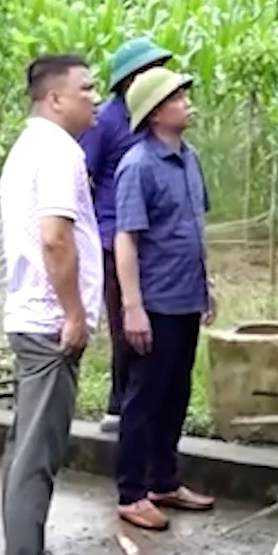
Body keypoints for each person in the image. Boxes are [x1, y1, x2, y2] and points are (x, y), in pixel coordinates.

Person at [0, 54, 101, 555]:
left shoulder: (30, 146)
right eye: (87, 89)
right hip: (47, 321)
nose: (96, 98)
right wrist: (74, 312)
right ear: (54, 98)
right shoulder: (59, 150)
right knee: (38, 452)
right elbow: (55, 238)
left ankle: (27, 553)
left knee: (24, 449)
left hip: (31, 316)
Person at [111, 68, 217, 531]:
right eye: (177, 98)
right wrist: (132, 306)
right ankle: (132, 492)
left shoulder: (189, 158)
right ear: (154, 113)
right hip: (153, 302)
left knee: (176, 393)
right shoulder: (137, 166)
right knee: (144, 399)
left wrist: (207, 284)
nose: (186, 103)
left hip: (185, 295)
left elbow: (195, 227)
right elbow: (126, 239)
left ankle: (164, 480)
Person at [78, 36, 173, 434]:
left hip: (152, 237)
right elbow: (82, 175)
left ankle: (145, 403)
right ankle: (119, 404)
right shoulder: (106, 122)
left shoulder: (152, 121)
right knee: (124, 322)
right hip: (113, 236)